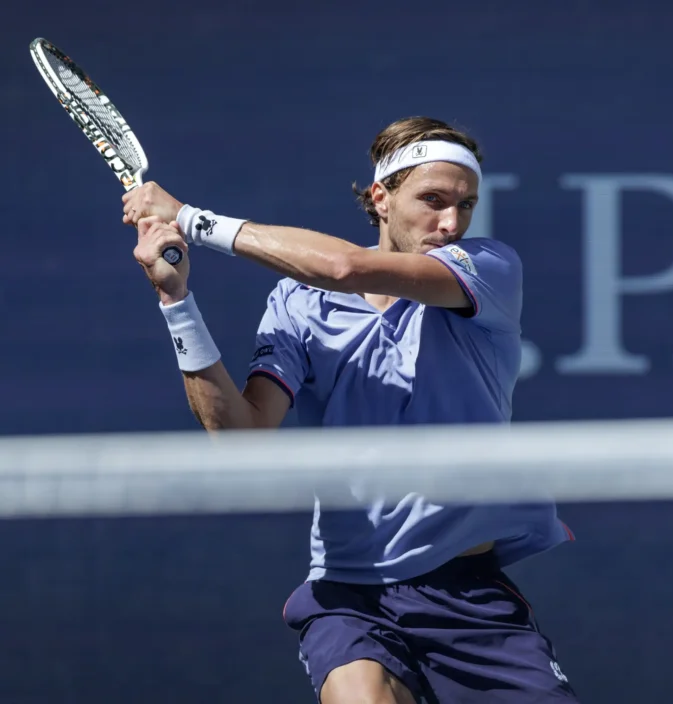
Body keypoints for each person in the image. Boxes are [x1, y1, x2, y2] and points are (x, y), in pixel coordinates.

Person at [125, 116, 578, 704]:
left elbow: (344, 268)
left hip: (467, 596)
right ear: (381, 198)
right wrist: (175, 301)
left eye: (466, 204)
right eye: (433, 200)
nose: (451, 222)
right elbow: (241, 436)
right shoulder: (296, 302)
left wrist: (190, 218)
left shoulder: (486, 268)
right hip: (350, 596)